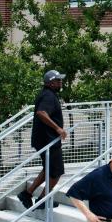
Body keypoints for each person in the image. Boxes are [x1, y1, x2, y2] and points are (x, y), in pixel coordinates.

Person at [19, 70, 66, 210]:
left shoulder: (47, 94)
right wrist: (58, 128)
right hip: (48, 141)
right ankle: (43, 200)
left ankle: (27, 194)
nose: (60, 83)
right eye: (58, 81)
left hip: (44, 140)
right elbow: (41, 113)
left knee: (48, 170)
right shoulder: (48, 96)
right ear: (51, 83)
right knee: (57, 172)